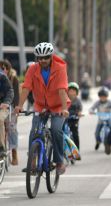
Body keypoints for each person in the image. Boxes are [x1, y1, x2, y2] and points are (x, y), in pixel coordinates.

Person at [14, 42, 70, 175]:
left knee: (56, 130)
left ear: (51, 56)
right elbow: (26, 87)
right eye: (40, 58)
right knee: (34, 131)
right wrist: (20, 106)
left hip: (58, 106)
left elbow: (62, 90)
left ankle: (59, 161)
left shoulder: (60, 68)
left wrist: (64, 108)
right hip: (40, 105)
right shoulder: (32, 69)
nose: (43, 60)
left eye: (45, 57)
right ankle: (32, 162)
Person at [0, 59, 20, 165]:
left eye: (3, 68)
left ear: (7, 69)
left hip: (9, 106)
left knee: (11, 128)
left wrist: (16, 106)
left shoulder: (13, 78)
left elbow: (14, 93)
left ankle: (13, 151)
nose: (2, 70)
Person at [0, 67, 14, 159]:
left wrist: (6, 102)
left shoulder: (2, 77)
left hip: (2, 106)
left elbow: (10, 91)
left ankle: (1, 147)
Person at [66, 82, 83, 150]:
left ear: (77, 92)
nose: (72, 93)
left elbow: (80, 108)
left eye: (74, 91)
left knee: (75, 134)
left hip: (74, 119)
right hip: (65, 119)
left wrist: (79, 113)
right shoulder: (65, 99)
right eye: (70, 91)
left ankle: (77, 150)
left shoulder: (77, 100)